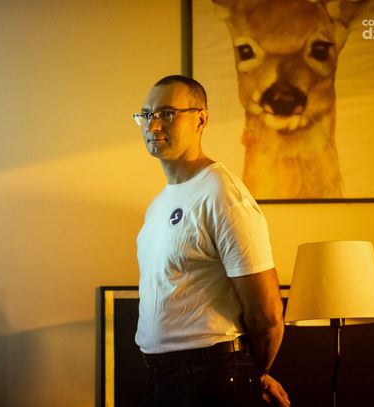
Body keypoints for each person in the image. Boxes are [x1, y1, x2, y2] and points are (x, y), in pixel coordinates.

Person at [133, 75, 290, 407]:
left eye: (167, 114)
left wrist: (254, 375)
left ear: (201, 119)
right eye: (146, 115)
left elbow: (268, 316)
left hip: (208, 374)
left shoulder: (222, 195)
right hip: (159, 374)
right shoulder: (160, 202)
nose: (153, 125)